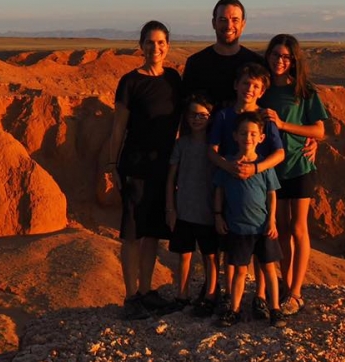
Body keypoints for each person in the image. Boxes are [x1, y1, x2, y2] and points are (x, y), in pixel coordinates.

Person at [103, 21, 183, 319]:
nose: (156, 48)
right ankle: (130, 296)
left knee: (152, 232)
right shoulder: (130, 82)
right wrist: (112, 164)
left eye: (161, 42)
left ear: (168, 46)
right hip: (135, 166)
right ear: (141, 45)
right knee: (133, 232)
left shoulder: (174, 79)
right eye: (150, 42)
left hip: (163, 166)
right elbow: (118, 127)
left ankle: (147, 291)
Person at [207, 62, 284, 316]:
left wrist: (256, 169)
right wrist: (228, 168)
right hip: (232, 187)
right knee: (235, 250)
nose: (249, 89)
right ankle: (232, 299)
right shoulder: (224, 115)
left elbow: (279, 153)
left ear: (261, 91)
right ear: (236, 85)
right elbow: (212, 150)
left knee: (263, 258)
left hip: (258, 186)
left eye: (255, 86)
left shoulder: (266, 118)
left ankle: (261, 298)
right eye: (245, 84)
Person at [259, 34, 328, 316]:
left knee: (299, 229)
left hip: (299, 166)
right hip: (272, 168)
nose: (280, 60)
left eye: (286, 56)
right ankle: (286, 286)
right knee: (281, 230)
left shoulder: (304, 91)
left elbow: (319, 131)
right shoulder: (262, 89)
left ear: (294, 60)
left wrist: (285, 124)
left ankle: (296, 292)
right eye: (276, 54)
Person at [165, 94, 219, 316]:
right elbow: (171, 178)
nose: (197, 119)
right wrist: (170, 208)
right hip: (184, 210)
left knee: (211, 255)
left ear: (210, 117)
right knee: (184, 254)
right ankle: (182, 294)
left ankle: (211, 295)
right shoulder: (182, 144)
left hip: (207, 211)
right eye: (193, 115)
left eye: (202, 115)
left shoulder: (215, 145)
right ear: (186, 118)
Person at [182, 0, 265, 108]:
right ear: (213, 23)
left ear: (243, 24)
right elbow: (187, 108)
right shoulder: (196, 63)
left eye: (235, 20)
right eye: (223, 19)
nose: (229, 26)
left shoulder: (257, 64)